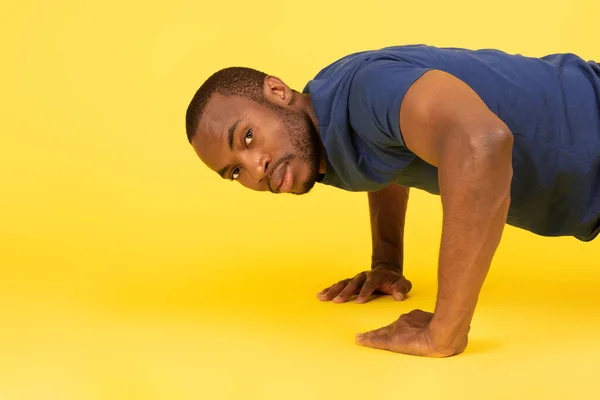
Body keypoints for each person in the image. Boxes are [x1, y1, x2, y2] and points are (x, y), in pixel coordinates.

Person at [184, 44, 600, 357]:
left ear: (276, 91)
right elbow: (391, 146)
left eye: (247, 138)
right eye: (235, 172)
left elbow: (482, 144)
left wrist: (445, 331)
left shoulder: (366, 90)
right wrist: (387, 261)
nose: (255, 169)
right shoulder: (317, 135)